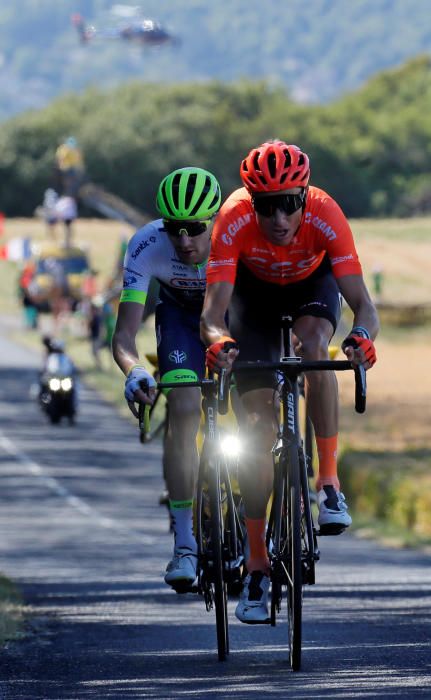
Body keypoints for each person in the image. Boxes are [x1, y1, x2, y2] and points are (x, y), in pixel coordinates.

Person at [200, 140, 379, 624]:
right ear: (250, 201)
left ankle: (328, 482)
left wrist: (361, 337)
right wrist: (219, 343)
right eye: (266, 206)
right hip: (253, 301)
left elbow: (364, 306)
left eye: (289, 204)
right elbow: (213, 315)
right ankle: (256, 566)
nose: (279, 218)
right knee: (256, 430)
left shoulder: (326, 214)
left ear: (304, 195)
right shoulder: (232, 219)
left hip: (310, 288)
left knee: (316, 348)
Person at [112, 166, 222, 591]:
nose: (184, 241)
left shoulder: (235, 236)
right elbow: (124, 335)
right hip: (178, 321)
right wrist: (135, 369)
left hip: (231, 316)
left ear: (213, 222)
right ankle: (185, 542)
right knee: (183, 406)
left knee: (260, 402)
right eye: (175, 229)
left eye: (195, 229)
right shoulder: (145, 245)